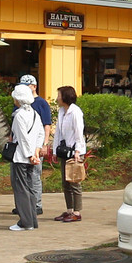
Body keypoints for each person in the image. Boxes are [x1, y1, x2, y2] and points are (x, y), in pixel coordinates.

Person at [7, 83, 45, 231]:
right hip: (31, 158)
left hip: (21, 158)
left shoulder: (19, 116)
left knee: (21, 190)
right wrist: (35, 152)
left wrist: (30, 155)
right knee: (29, 189)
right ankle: (32, 221)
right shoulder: (34, 113)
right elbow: (40, 133)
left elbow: (22, 138)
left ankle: (25, 222)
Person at [52, 85, 87, 223]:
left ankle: (77, 212)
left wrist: (78, 151)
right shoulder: (62, 111)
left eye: (59, 95)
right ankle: (69, 210)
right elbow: (58, 133)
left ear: (65, 97)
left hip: (75, 151)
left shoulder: (75, 112)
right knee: (65, 182)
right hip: (64, 151)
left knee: (74, 182)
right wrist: (55, 151)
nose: (57, 98)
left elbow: (79, 132)